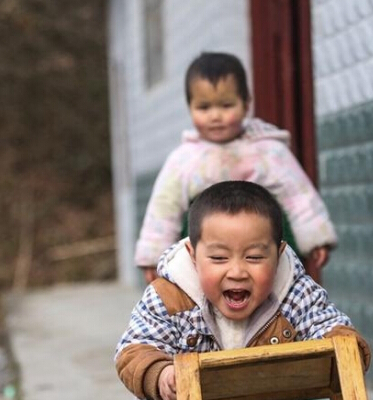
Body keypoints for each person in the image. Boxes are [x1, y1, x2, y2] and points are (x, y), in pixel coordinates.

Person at [115, 180, 370, 400]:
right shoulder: (168, 296)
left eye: (254, 257)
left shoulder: (293, 291)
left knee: (337, 345)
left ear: (278, 254)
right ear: (193, 255)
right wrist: (159, 374)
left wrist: (343, 346)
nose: (237, 271)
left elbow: (326, 323)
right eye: (219, 258)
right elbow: (134, 350)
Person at [134, 51, 337, 285]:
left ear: (246, 104)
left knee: (281, 303)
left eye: (226, 105)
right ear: (190, 107)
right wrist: (154, 256)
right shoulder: (183, 160)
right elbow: (163, 210)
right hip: (206, 260)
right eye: (204, 107)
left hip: (265, 254)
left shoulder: (267, 151)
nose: (216, 116)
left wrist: (316, 238)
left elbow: (298, 195)